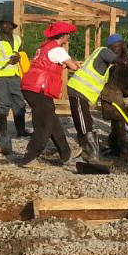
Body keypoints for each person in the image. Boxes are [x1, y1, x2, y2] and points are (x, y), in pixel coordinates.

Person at [17, 22, 80, 167]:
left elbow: (48, 63)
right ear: (63, 36)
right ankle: (29, 158)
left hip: (31, 86)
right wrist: (74, 65)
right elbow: (74, 66)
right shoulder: (58, 50)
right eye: (67, 35)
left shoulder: (44, 47)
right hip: (40, 89)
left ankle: (66, 154)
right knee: (44, 126)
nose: (68, 37)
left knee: (53, 122)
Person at [66, 34, 128, 157]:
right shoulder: (105, 51)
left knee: (85, 120)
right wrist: (125, 50)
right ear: (110, 47)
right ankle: (92, 153)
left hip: (82, 91)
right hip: (79, 89)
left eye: (121, 47)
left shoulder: (104, 55)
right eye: (117, 46)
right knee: (84, 123)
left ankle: (87, 149)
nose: (119, 49)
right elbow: (124, 62)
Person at [0, 18, 28, 138]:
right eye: (4, 24)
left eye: (9, 24)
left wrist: (18, 57)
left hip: (16, 76)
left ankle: (21, 131)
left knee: (19, 103)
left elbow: (21, 54)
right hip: (1, 77)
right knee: (3, 104)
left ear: (13, 27)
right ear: (0, 25)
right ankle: (4, 133)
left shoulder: (18, 39)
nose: (6, 26)